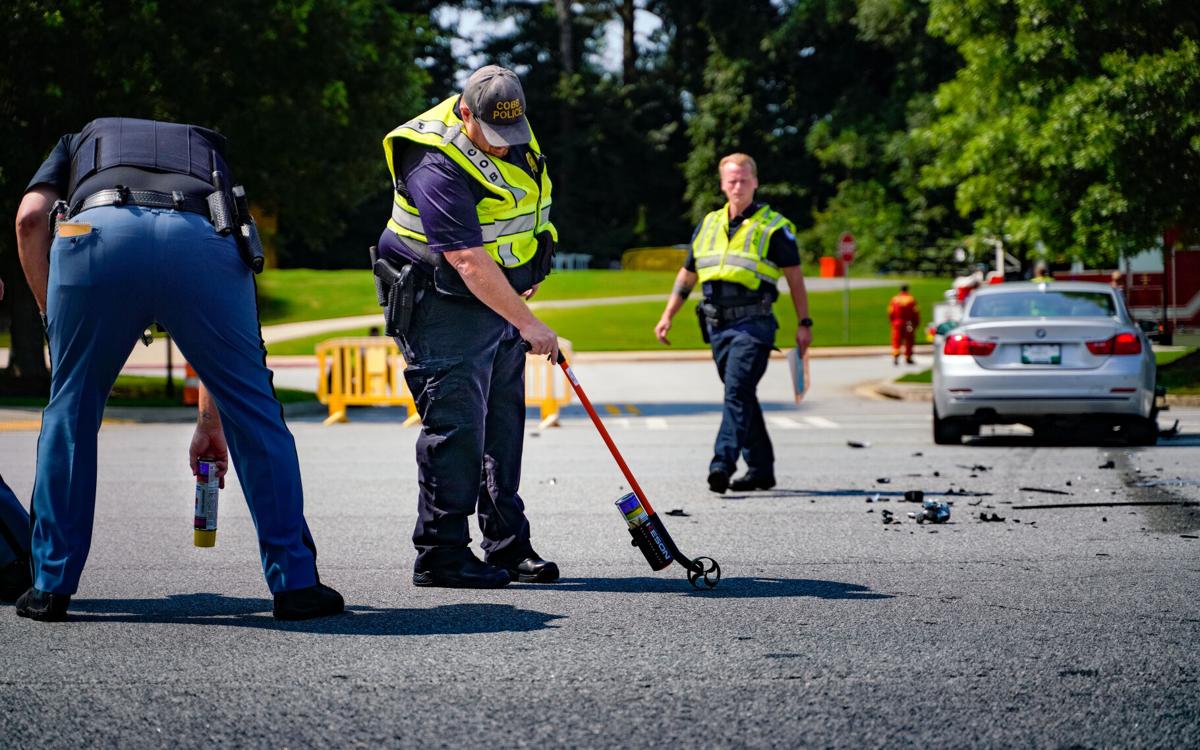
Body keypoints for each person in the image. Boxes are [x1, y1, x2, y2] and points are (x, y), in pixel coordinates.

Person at [13, 117, 343, 622]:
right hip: (201, 232)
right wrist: (212, 421)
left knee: (70, 412)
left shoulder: (76, 143)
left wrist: (52, 318)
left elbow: (30, 220)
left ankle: (49, 586)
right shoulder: (206, 148)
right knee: (255, 413)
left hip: (95, 235)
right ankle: (296, 585)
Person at [376, 65, 560, 587]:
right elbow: (466, 258)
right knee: (456, 429)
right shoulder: (432, 160)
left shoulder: (510, 129)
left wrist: (530, 269)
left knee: (501, 426)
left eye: (512, 135)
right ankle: (440, 554)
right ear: (464, 112)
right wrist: (530, 324)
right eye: (493, 137)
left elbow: (523, 209)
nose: (504, 147)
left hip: (496, 302)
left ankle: (506, 544)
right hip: (441, 305)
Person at [654, 153, 812, 494]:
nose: (737, 186)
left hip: (755, 325)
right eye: (731, 180)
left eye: (743, 180)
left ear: (755, 182)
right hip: (717, 328)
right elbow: (688, 274)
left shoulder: (774, 227)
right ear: (723, 184)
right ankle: (761, 469)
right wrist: (668, 315)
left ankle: (722, 463)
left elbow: (795, 278)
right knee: (741, 396)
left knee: (737, 391)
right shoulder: (708, 224)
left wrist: (804, 322)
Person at [887, 284, 920, 365]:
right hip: (908, 322)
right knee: (909, 340)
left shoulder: (895, 299)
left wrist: (892, 322)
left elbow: (890, 312)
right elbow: (915, 312)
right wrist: (916, 323)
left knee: (896, 339)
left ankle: (896, 355)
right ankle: (908, 356)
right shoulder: (911, 299)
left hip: (897, 322)